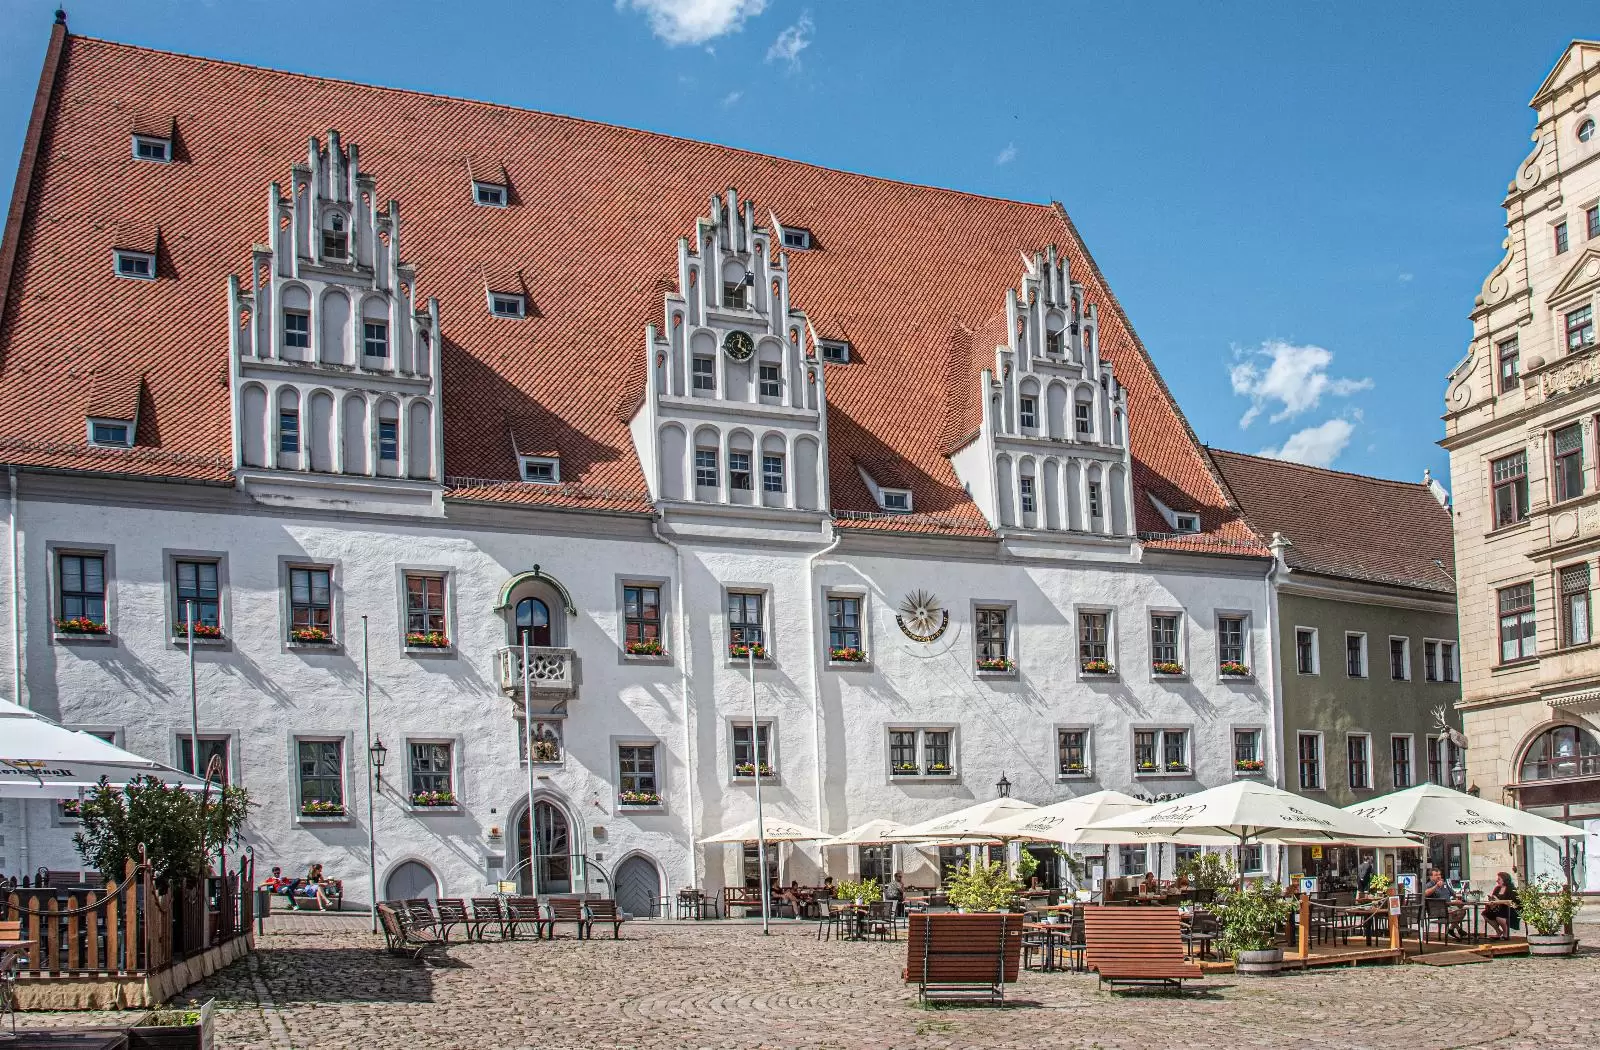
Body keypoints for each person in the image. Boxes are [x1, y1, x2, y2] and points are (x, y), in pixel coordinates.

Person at [1423, 868, 1465, 939]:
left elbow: (1454, 894)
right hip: (1437, 910)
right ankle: (1458, 929)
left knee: (1462, 911)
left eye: (1439, 874)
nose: (1439, 876)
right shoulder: (1429, 885)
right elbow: (1425, 894)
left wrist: (1459, 896)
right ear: (1431, 877)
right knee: (1453, 912)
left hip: (1448, 907)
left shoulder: (1445, 884)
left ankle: (1451, 929)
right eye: (1436, 875)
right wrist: (1436, 886)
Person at [1483, 871, 1517, 940]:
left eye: (1499, 879)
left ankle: (1505, 934)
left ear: (1504, 880)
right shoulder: (1497, 888)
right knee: (1485, 913)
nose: (1497, 881)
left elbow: (1511, 902)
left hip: (1509, 909)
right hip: (1498, 908)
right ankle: (1498, 931)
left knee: (1499, 916)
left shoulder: (1511, 889)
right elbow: (1494, 898)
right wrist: (1491, 901)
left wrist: (1498, 901)